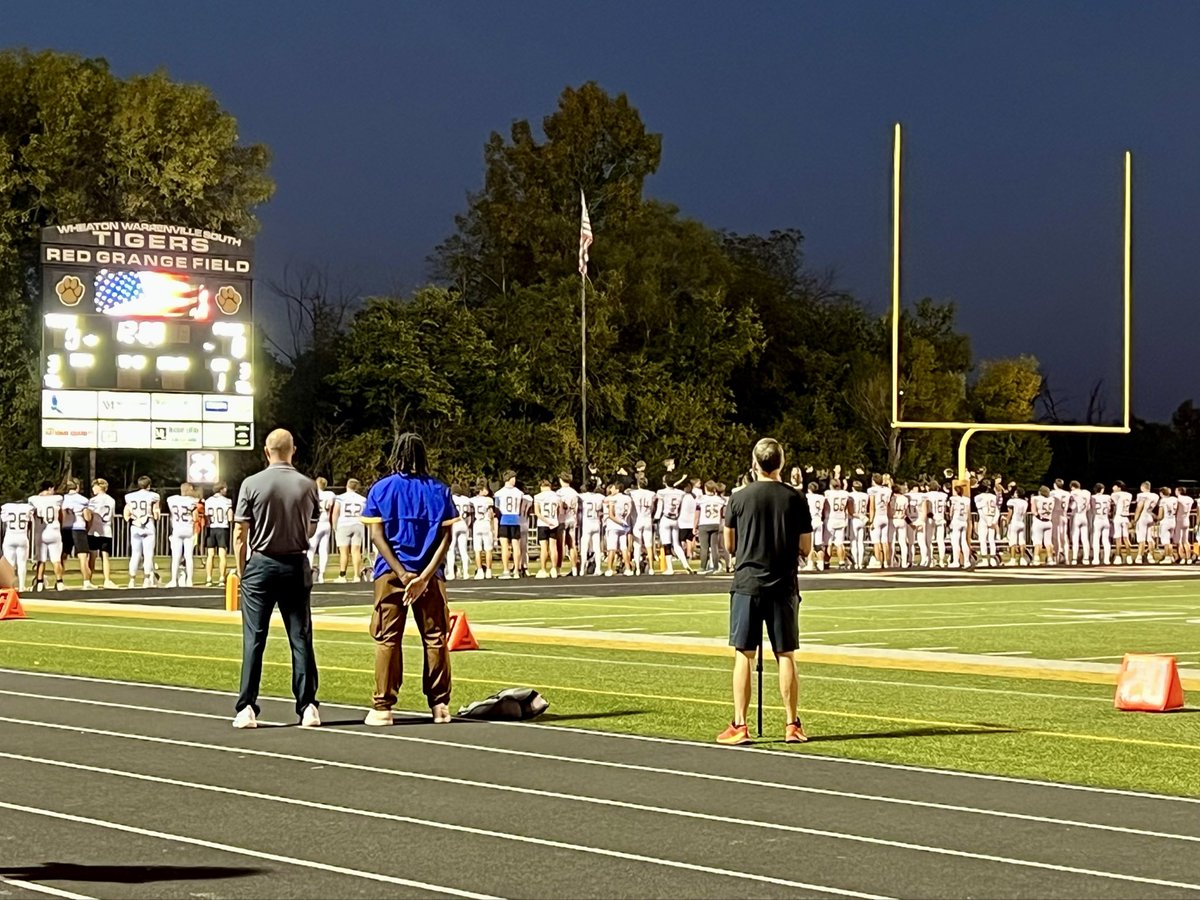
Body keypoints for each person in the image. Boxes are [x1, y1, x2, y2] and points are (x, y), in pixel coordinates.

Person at [717, 437, 812, 746]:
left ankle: (740, 724)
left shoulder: (738, 498)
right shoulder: (795, 498)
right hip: (783, 583)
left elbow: (729, 546)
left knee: (744, 654)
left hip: (747, 583)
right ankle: (791, 724)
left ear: (754, 463)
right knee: (786, 654)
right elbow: (806, 548)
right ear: (781, 464)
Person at [361, 433, 457, 726]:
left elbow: (376, 536)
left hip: (390, 573)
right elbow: (446, 538)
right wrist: (424, 576)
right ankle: (439, 705)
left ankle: (383, 706)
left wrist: (403, 574)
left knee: (388, 638)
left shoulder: (381, 489)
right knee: (435, 638)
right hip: (430, 574)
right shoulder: (439, 490)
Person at [232, 428, 321, 729]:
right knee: (300, 637)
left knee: (254, 638)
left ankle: (247, 707)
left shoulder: (251, 484)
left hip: (262, 562)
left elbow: (240, 533)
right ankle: (307, 705)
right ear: (292, 450)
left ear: (267, 451)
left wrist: (242, 570)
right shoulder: (308, 485)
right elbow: (310, 527)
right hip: (296, 562)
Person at [123, 475, 161, 588]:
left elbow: (127, 514)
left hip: (135, 524)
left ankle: (132, 580)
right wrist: (156, 517)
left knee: (135, 554)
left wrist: (131, 519)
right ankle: (146, 579)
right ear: (149, 485)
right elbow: (156, 512)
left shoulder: (129, 496)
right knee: (148, 554)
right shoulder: (154, 496)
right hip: (148, 523)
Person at [29, 481, 65, 592]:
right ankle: (59, 582)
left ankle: (39, 583)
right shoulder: (58, 498)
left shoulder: (33, 499)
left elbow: (32, 514)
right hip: (54, 530)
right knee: (56, 560)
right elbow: (60, 515)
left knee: (41, 559)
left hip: (41, 532)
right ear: (50, 488)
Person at [655, 474, 692, 575]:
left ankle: (670, 568)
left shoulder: (661, 492)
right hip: (675, 519)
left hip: (665, 518)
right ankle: (686, 564)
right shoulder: (681, 493)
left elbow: (659, 507)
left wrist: (655, 518)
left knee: (667, 544)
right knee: (676, 544)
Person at [332, 478, 367, 583]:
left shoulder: (340, 498)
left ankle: (342, 575)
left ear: (347, 486)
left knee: (344, 551)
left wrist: (334, 526)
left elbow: (335, 512)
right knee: (356, 551)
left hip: (344, 524)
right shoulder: (362, 499)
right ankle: (356, 576)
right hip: (358, 523)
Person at [86, 479, 118, 588]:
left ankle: (88, 580)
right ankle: (107, 580)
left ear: (99, 487)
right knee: (105, 556)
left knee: (92, 557)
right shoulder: (111, 500)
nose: (93, 489)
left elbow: (89, 516)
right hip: (107, 530)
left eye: (94, 487)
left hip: (95, 530)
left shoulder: (93, 501)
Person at [165, 484, 199, 587]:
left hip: (177, 529)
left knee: (176, 557)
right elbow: (195, 517)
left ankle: (173, 580)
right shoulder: (192, 501)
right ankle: (189, 580)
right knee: (188, 557)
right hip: (188, 529)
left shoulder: (172, 499)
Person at [61, 479, 93, 588]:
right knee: (82, 556)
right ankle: (86, 582)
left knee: (63, 556)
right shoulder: (82, 500)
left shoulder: (62, 499)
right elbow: (87, 516)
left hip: (66, 528)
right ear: (77, 487)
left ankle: (59, 581)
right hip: (79, 528)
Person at [494, 471, 525, 578]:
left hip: (504, 519)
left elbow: (496, 509)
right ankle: (516, 570)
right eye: (513, 478)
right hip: (515, 518)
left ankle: (507, 570)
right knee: (515, 545)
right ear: (509, 478)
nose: (515, 480)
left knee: (505, 546)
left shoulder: (498, 493)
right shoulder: (519, 493)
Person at [306, 477, 335, 584]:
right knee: (323, 550)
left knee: (311, 549)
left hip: (316, 523)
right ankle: (321, 574)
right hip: (326, 522)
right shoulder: (330, 494)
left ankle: (309, 573)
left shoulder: (312, 493)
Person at [204, 481, 234, 586]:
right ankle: (221, 578)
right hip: (222, 528)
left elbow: (206, 516)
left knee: (210, 555)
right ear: (221, 489)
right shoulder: (227, 501)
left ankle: (209, 578)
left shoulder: (208, 501)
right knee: (222, 555)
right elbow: (230, 518)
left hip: (211, 528)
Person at [1, 495, 33, 592]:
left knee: (10, 563)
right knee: (22, 563)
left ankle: (10, 586)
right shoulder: (27, 508)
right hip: (22, 536)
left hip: (10, 536)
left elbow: (3, 522)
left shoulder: (6, 507)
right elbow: (30, 523)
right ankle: (22, 586)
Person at [532, 479, 562, 578]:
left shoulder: (538, 497)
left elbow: (537, 512)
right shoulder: (556, 496)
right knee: (553, 547)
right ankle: (554, 568)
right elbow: (559, 510)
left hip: (543, 523)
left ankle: (543, 569)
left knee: (544, 548)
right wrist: (552, 521)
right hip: (554, 522)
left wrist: (546, 521)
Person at [697, 481, 729, 575]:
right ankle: (715, 566)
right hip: (715, 523)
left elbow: (697, 512)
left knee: (704, 547)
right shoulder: (719, 500)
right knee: (714, 546)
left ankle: (703, 567)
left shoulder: (701, 499)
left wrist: (695, 525)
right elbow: (723, 512)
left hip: (704, 523)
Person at [444, 484, 474, 580]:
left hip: (454, 524)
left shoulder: (450, 498)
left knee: (451, 549)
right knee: (463, 550)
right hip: (463, 524)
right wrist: (468, 524)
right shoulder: (467, 500)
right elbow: (471, 514)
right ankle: (466, 573)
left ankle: (451, 573)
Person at [629, 475, 657, 575]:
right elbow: (653, 507)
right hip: (647, 518)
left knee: (637, 546)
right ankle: (651, 568)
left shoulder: (633, 493)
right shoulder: (652, 494)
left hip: (638, 519)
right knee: (649, 545)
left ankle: (637, 568)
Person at [578, 479, 605, 576]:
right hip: (596, 522)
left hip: (587, 523)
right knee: (597, 547)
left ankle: (582, 569)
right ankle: (598, 568)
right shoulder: (600, 497)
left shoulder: (582, 496)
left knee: (584, 547)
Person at [556, 474, 581, 577]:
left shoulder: (559, 493)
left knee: (560, 545)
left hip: (562, 519)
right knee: (572, 545)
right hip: (572, 518)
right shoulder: (574, 493)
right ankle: (574, 568)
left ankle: (558, 568)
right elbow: (576, 508)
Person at [468, 482, 495, 580]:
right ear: (481, 490)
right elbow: (491, 514)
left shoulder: (472, 500)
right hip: (485, 523)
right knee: (488, 549)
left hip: (477, 524)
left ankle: (479, 570)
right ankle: (488, 570)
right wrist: (493, 527)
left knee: (477, 550)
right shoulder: (488, 500)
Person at [1090, 484, 1113, 566]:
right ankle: (1107, 559)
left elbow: (1091, 508)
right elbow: (1109, 508)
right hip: (1105, 518)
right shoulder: (1107, 497)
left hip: (1097, 519)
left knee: (1096, 539)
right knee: (1106, 540)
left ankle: (1096, 559)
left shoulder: (1092, 497)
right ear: (1102, 489)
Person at [1111, 480, 1133, 565]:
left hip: (1119, 517)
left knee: (1118, 538)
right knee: (1126, 538)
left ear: (1119, 487)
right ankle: (1129, 556)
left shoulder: (1115, 494)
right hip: (1126, 517)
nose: (1113, 488)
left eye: (1114, 486)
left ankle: (1118, 556)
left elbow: (1115, 503)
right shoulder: (1129, 495)